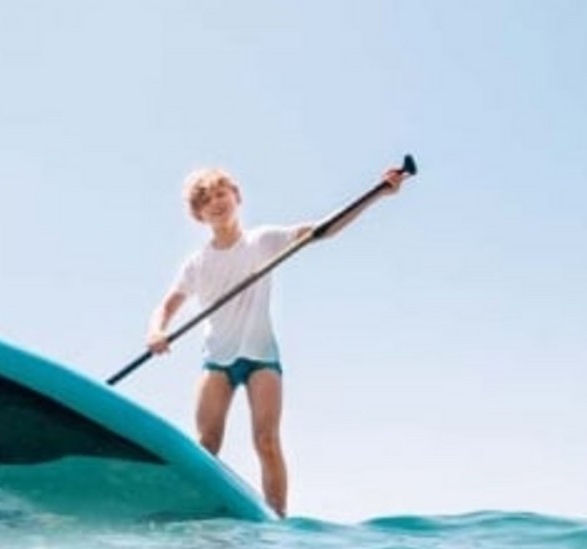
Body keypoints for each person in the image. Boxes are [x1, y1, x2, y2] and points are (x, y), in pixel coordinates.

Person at [145, 164, 408, 517]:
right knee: (206, 445)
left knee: (266, 441)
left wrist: (377, 194)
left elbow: (321, 231)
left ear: (236, 196)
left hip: (261, 358)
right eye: (207, 200)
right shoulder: (197, 264)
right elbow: (167, 305)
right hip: (217, 360)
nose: (217, 202)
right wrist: (156, 332)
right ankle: (198, 513)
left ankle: (277, 520)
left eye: (222, 193)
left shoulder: (262, 241)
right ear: (199, 215)